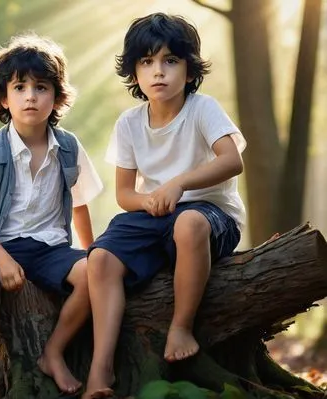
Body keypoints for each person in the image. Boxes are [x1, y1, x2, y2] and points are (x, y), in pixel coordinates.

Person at [83, 12, 246, 398]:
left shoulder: (202, 108)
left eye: (170, 61)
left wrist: (177, 184)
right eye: (147, 61)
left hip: (210, 216)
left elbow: (231, 160)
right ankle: (99, 370)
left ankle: (181, 326)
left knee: (188, 224)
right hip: (156, 215)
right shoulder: (129, 123)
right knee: (100, 258)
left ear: (189, 71)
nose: (159, 71)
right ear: (135, 73)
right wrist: (150, 200)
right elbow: (125, 194)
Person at [0, 33, 103, 398]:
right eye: (20, 87)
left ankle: (54, 352)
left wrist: (95, 253)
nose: (31, 95)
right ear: (3, 98)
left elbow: (79, 205)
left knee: (96, 274)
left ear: (57, 96)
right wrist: (0, 261)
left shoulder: (68, 148)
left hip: (50, 248)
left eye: (41, 87)